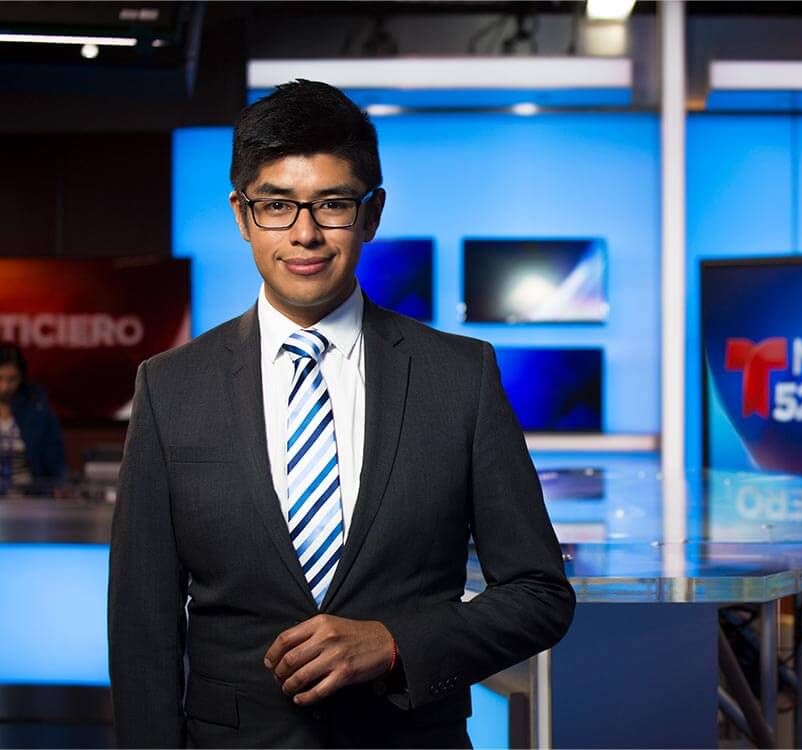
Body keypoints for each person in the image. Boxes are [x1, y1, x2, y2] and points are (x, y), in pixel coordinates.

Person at [108, 80, 575, 749]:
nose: (304, 234)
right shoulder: (169, 387)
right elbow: (142, 626)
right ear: (242, 216)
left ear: (371, 214)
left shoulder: (460, 375)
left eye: (331, 205)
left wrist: (394, 644)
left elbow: (539, 593)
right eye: (276, 206)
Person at [0, 344, 66, 493]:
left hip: (29, 498)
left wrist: (57, 486)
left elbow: (55, 460)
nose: (4, 386)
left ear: (22, 378)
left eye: (12, 379)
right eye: (0, 378)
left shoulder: (37, 408)